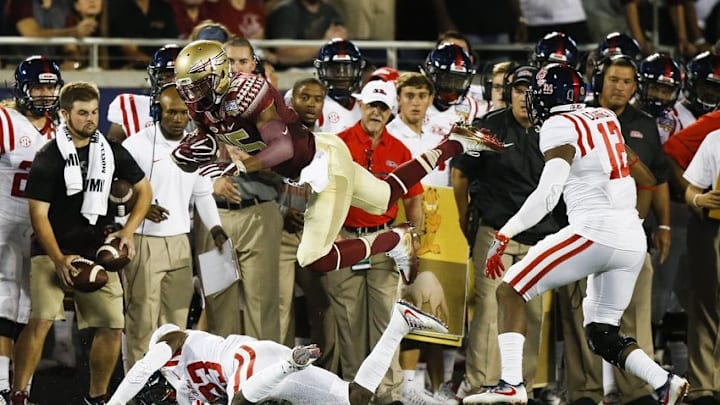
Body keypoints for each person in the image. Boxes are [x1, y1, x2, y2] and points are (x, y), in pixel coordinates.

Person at [170, 39, 505, 290]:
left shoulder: (249, 91)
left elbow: (283, 146)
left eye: (196, 83)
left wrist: (241, 167)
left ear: (218, 75)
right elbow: (206, 143)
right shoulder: (203, 105)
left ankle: (395, 240)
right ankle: (455, 142)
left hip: (321, 168)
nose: (190, 92)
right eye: (186, 84)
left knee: (313, 259)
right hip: (325, 153)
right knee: (385, 194)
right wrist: (187, 155)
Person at [462, 63, 689, 405]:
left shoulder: (557, 125)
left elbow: (548, 193)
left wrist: (505, 233)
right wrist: (637, 196)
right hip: (631, 238)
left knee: (510, 290)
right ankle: (663, 380)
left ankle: (510, 384)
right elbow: (637, 166)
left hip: (596, 232)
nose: (531, 102)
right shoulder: (604, 117)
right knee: (601, 333)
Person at [10, 81, 152, 405]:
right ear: (64, 114)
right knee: (41, 320)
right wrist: (59, 259)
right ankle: (18, 394)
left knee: (113, 325)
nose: (91, 119)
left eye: (94, 112)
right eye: (83, 113)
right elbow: (38, 215)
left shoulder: (111, 150)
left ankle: (97, 397)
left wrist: (127, 232)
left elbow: (145, 192)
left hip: (96, 248)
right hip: (52, 248)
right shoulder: (49, 156)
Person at [449, 65, 558, 405]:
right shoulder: (489, 127)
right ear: (509, 92)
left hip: (540, 238)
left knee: (535, 314)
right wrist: (465, 217)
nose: (525, 97)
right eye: (519, 89)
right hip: (496, 234)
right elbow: (460, 174)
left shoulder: (553, 130)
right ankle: (480, 383)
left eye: (531, 90)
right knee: (489, 311)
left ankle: (519, 387)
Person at [107, 300, 447, 405]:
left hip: (250, 358)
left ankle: (289, 364)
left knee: (239, 403)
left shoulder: (166, 344)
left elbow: (139, 369)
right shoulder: (184, 391)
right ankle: (399, 324)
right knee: (356, 398)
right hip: (262, 378)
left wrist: (114, 404)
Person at [329, 79, 424, 405]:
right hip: (346, 241)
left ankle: (388, 393)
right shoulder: (338, 143)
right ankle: (356, 393)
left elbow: (414, 199)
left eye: (383, 108)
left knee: (386, 320)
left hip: (384, 242)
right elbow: (321, 194)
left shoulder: (400, 150)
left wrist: (411, 238)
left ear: (390, 111)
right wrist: (332, 234)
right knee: (350, 322)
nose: (376, 113)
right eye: (372, 106)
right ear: (361, 105)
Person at [120, 84, 228, 369]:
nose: (178, 118)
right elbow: (114, 189)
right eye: (171, 112)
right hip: (145, 241)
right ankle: (136, 387)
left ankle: (170, 382)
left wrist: (215, 227)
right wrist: (136, 205)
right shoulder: (136, 145)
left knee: (176, 321)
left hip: (181, 239)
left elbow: (203, 193)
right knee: (142, 319)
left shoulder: (197, 146)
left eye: (183, 113)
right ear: (158, 111)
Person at [195, 35, 284, 342]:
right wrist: (209, 181)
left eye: (242, 61)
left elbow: (292, 160)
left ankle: (263, 386)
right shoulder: (200, 104)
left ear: (253, 64)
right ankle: (223, 381)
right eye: (228, 62)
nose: (235, 68)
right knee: (219, 305)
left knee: (263, 307)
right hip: (214, 216)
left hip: (258, 212)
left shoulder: (268, 104)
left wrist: (255, 161)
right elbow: (183, 161)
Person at [0, 55, 63, 404]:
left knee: (29, 312)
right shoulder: (5, 120)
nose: (44, 94)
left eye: (50, 86)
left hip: (41, 231)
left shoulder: (64, 129)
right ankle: (0, 387)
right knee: (4, 305)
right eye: (38, 86)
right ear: (22, 88)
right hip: (3, 223)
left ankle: (20, 390)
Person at [678, 128, 720, 405]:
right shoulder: (715, 138)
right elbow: (691, 187)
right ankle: (703, 386)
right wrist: (698, 199)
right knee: (707, 306)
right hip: (715, 228)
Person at [106, 44, 180, 142]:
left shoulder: (201, 113)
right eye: (166, 76)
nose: (172, 82)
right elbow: (113, 152)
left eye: (178, 77)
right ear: (153, 77)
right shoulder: (130, 106)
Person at [265, 0, 347, 69]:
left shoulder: (330, 10)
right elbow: (284, 54)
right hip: (292, 70)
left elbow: (340, 39)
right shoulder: (285, 12)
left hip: (324, 68)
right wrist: (324, 45)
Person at [313, 38, 365, 133]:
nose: (341, 74)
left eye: (346, 68)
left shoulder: (366, 104)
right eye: (335, 68)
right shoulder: (315, 105)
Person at [107, 0, 179, 69]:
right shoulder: (116, 7)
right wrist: (152, 64)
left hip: (163, 72)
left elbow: (172, 43)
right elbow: (127, 49)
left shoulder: (164, 9)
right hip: (123, 71)